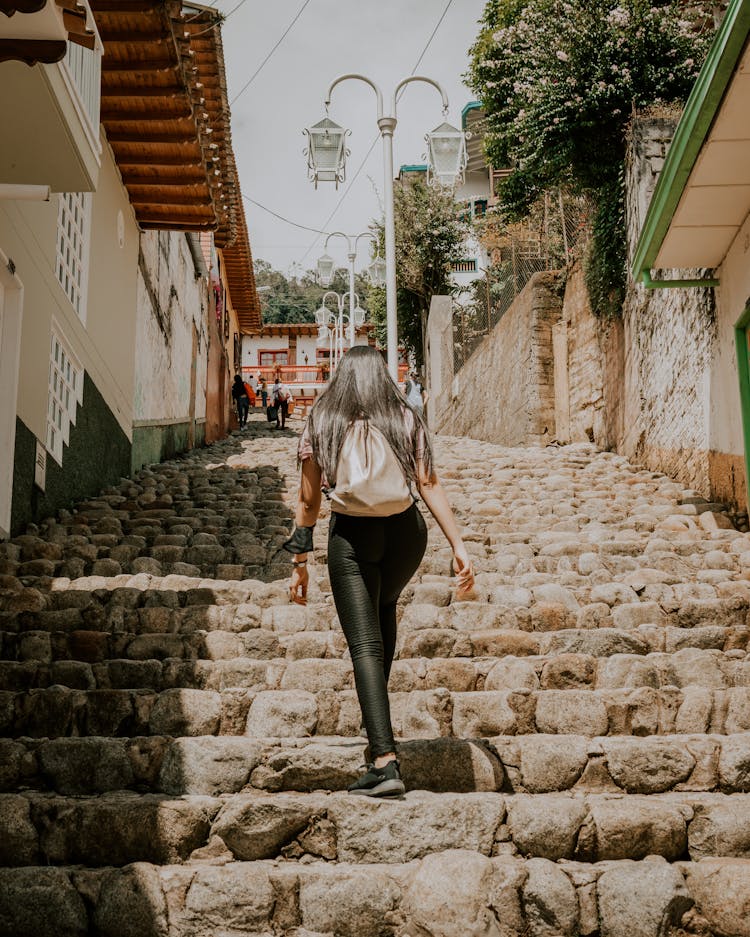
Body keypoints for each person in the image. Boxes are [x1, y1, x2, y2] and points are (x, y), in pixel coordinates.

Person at [283, 346, 474, 798]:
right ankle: (378, 730)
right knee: (383, 609)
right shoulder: (403, 417)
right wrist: (458, 544)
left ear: (341, 379)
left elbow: (309, 502)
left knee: (364, 642)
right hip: (407, 534)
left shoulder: (322, 421)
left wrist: (299, 562)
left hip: (353, 536)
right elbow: (428, 482)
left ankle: (385, 762)